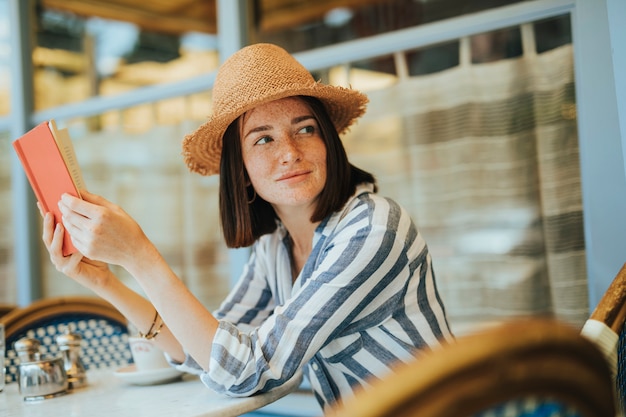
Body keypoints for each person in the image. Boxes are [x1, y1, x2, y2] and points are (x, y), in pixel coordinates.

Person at [41, 43, 453, 411]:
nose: (290, 153)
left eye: (304, 129)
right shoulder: (275, 246)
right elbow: (205, 351)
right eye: (263, 139)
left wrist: (141, 255)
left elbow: (247, 372)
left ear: (328, 140)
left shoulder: (372, 228)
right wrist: (107, 281)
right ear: (240, 171)